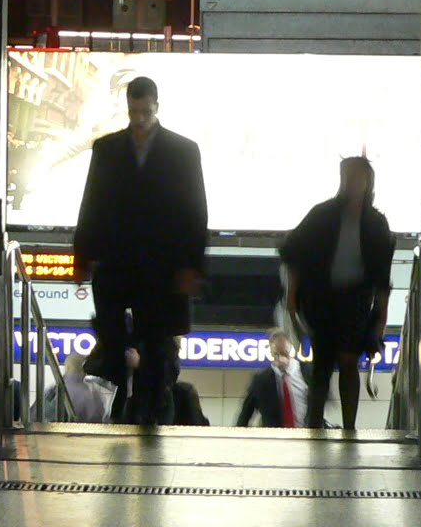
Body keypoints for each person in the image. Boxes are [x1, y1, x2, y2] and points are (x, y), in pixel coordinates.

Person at [73, 76, 208, 427]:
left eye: (146, 111)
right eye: (134, 111)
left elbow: (196, 209)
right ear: (128, 107)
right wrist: (82, 255)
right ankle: (128, 410)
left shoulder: (183, 151)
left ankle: (149, 413)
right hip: (119, 261)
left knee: (156, 342)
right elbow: (92, 202)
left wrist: (192, 264)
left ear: (157, 106)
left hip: (161, 267)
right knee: (115, 340)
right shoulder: (107, 149)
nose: (140, 118)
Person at [280, 157, 395, 432]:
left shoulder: (376, 224)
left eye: (359, 177)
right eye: (349, 177)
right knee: (321, 365)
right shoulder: (322, 215)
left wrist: (380, 318)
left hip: (355, 302)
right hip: (321, 300)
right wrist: (292, 298)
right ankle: (314, 426)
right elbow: (293, 254)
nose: (354, 183)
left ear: (369, 182)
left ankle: (349, 428)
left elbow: (382, 279)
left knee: (349, 362)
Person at [235, 329, 310, 429]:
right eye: (277, 355)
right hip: (275, 440)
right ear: (271, 353)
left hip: (306, 436)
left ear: (290, 350)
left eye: (284, 354)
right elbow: (245, 414)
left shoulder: (307, 372)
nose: (281, 360)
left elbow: (321, 399)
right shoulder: (261, 381)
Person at [32, 352, 117, 424]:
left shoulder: (53, 391)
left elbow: (34, 416)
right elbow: (100, 421)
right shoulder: (94, 393)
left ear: (67, 367)